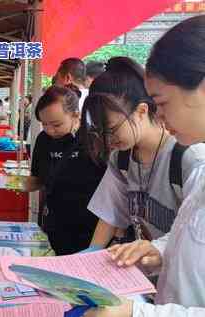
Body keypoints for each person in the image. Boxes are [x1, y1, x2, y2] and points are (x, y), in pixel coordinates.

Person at [85, 17, 205, 315]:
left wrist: (135, 313)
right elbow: (190, 244)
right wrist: (159, 250)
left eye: (162, 103)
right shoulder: (201, 173)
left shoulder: (191, 159)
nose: (159, 116)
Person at [80, 57, 205, 253]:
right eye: (101, 132)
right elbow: (110, 213)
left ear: (141, 111)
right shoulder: (120, 159)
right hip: (146, 274)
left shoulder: (188, 157)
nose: (108, 139)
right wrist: (91, 251)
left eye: (112, 129)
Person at [20, 86, 105, 255]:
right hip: (56, 224)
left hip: (92, 229)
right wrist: (17, 184)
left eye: (57, 124)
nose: (50, 130)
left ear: (76, 115)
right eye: (44, 124)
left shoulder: (94, 139)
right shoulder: (44, 140)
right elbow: (38, 179)